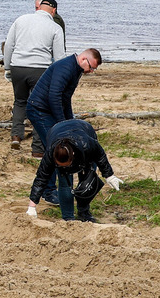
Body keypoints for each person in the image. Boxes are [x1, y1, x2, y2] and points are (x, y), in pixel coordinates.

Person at [25, 48, 103, 204]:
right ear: (83, 60)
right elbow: (54, 96)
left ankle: (58, 189)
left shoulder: (76, 70)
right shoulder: (66, 67)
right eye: (91, 67)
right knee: (54, 147)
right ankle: (49, 192)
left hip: (48, 110)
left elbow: (65, 98)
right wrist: (62, 124)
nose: (92, 71)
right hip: (38, 109)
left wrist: (71, 122)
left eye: (94, 69)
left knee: (62, 144)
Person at [2, 0, 68, 154]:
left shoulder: (21, 20)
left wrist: (7, 67)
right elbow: (59, 57)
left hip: (18, 65)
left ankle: (16, 136)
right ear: (53, 11)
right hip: (40, 69)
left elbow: (9, 45)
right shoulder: (54, 27)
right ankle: (38, 149)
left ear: (38, 7)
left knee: (19, 101)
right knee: (40, 106)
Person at [26, 119, 123, 222]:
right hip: (56, 131)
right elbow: (41, 178)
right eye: (60, 165)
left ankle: (84, 213)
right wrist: (32, 206)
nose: (64, 167)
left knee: (87, 181)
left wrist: (109, 175)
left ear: (72, 155)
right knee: (65, 184)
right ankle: (68, 218)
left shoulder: (87, 144)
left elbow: (100, 156)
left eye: (66, 165)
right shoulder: (50, 154)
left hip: (84, 129)